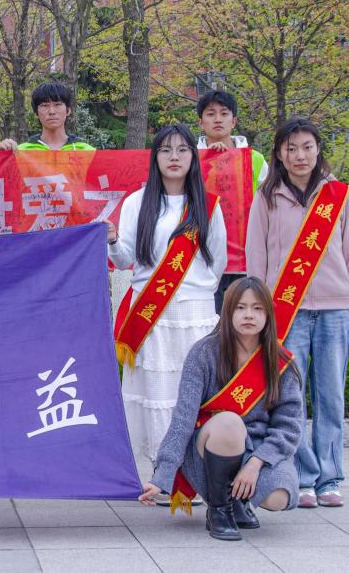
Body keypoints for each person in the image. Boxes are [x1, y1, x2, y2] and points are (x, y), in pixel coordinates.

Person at [246, 117, 349, 508]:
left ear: (318, 150)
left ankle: (330, 478)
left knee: (331, 396)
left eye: (307, 147)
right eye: (291, 148)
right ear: (279, 154)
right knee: (291, 397)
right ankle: (302, 476)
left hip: (335, 309)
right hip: (287, 310)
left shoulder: (338, 195)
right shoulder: (267, 197)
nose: (300, 155)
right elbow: (257, 257)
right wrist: (258, 308)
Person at [104, 125, 228, 499]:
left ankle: (198, 476)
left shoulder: (208, 205)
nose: (174, 157)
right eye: (165, 150)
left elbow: (217, 263)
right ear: (155, 157)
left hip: (194, 316)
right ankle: (166, 478)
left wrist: (191, 292)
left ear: (193, 157)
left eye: (182, 149)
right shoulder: (137, 202)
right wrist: (112, 241)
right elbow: (125, 259)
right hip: (151, 317)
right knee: (159, 396)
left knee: (195, 397)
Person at [138, 277, 302, 540]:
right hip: (208, 448)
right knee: (230, 423)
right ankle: (219, 509)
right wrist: (162, 475)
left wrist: (256, 463)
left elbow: (289, 427)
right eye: (240, 307)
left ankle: (238, 501)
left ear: (268, 314)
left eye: (257, 308)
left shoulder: (279, 362)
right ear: (227, 312)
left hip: (257, 449)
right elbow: (183, 419)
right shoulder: (204, 353)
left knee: (278, 497)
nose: (249, 315)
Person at [194, 90, 268, 313]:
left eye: (224, 114)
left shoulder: (254, 159)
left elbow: (268, 202)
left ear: (234, 121)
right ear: (201, 122)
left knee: (243, 320)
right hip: (202, 256)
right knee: (208, 321)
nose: (218, 119)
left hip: (245, 257)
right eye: (210, 114)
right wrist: (210, 161)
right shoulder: (190, 159)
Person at [0, 82, 96, 151]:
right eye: (44, 106)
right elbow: (0, 175)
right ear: (36, 113)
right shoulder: (21, 152)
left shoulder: (87, 152)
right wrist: (1, 157)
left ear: (68, 110)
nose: (51, 111)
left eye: (57, 104)